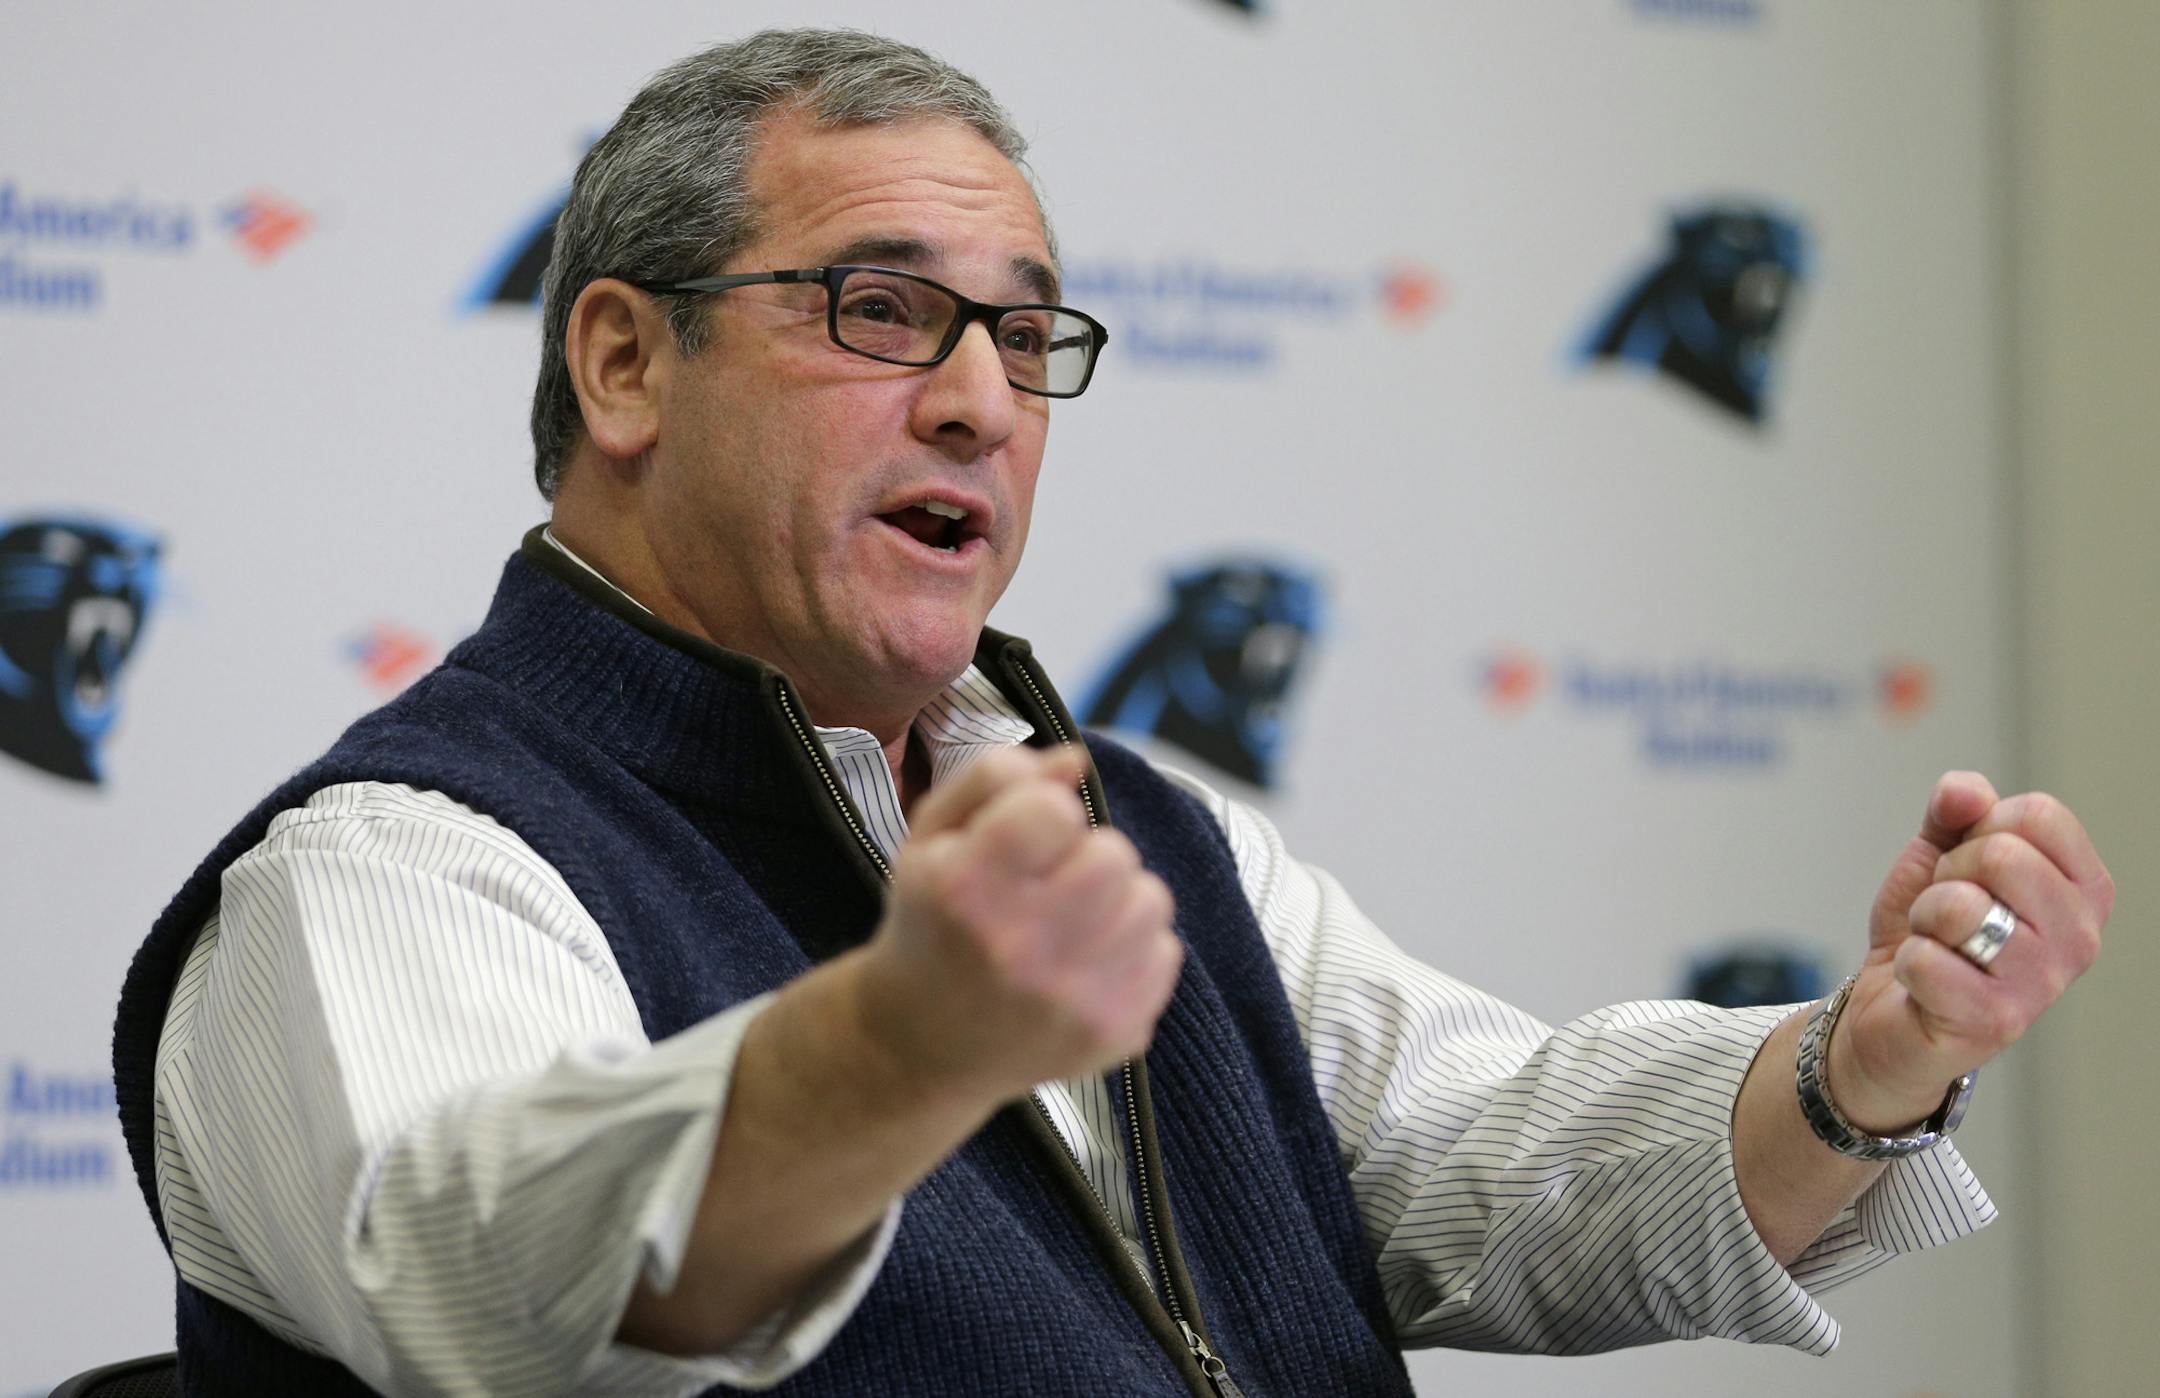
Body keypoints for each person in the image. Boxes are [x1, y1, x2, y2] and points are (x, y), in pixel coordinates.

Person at [112, 28, 2112, 1397]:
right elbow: (504, 1282)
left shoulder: (1123, 827)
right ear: (625, 365)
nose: (982, 397)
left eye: (1022, 330)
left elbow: (1498, 1164)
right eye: (879, 311)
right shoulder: (396, 864)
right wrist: (898, 1049)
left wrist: (1864, 1064)